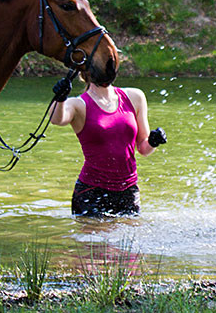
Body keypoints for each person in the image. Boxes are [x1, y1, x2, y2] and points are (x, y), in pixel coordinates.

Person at [49, 72, 165, 217]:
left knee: (131, 232)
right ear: (87, 71)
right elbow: (57, 119)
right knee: (96, 233)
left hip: (128, 191)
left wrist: (154, 141)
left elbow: (143, 149)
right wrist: (60, 98)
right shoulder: (78, 104)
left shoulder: (135, 97)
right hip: (91, 192)